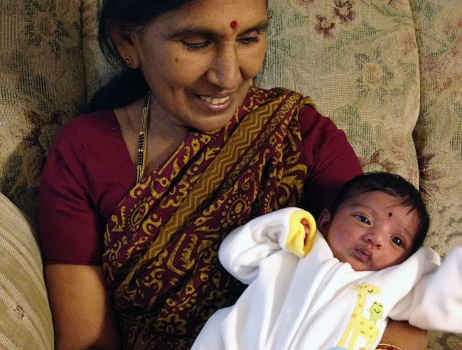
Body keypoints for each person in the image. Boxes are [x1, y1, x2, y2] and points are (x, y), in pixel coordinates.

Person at [37, 0, 425, 349]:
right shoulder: (85, 151)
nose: (227, 76)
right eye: (196, 42)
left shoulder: (299, 133)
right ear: (128, 42)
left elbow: (388, 301)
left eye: (250, 38)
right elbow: (86, 341)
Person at [192, 172, 462, 350]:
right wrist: (287, 225)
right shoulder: (299, 250)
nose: (376, 239)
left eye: (397, 241)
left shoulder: (394, 284)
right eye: (364, 219)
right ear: (325, 220)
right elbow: (235, 256)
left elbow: (441, 302)